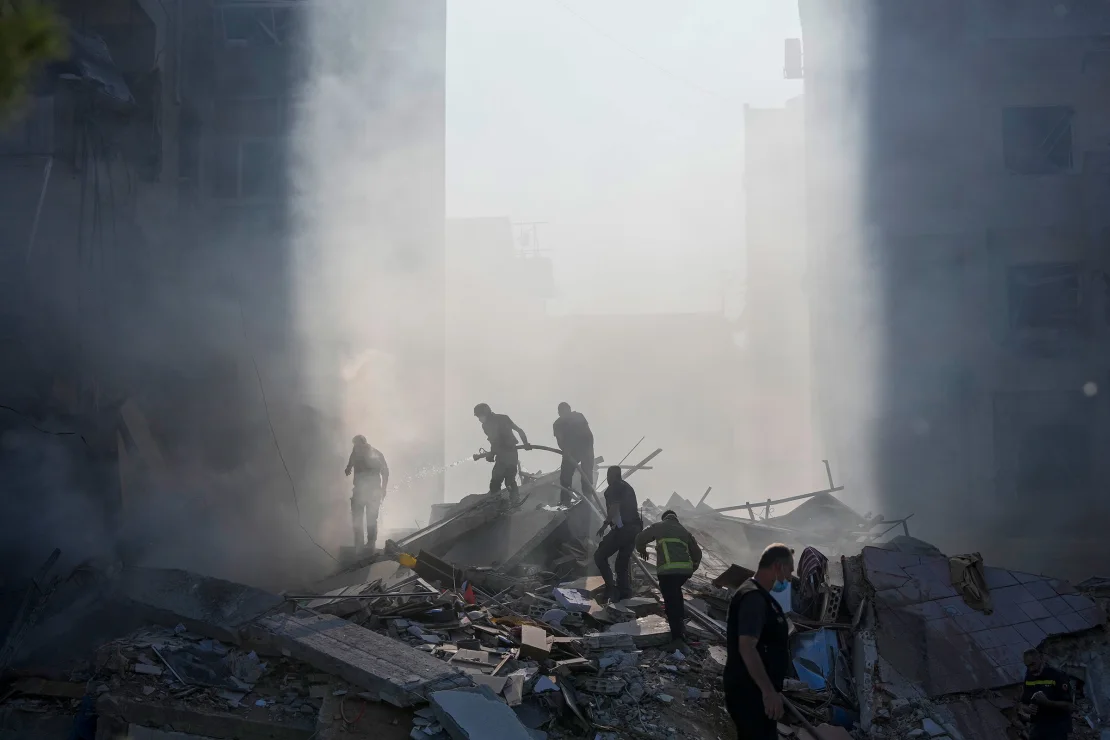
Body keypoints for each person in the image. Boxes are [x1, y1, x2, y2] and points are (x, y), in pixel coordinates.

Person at [724, 544, 795, 740]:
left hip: (755, 693)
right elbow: (747, 646)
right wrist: (768, 692)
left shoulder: (760, 596)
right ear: (778, 566)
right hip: (750, 693)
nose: (789, 578)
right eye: (789, 571)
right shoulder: (753, 597)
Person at [635, 509, 702, 648]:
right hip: (683, 573)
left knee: (671, 603)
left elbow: (640, 538)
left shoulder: (659, 526)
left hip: (667, 572)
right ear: (676, 518)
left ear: (664, 518)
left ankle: (677, 639)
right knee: (677, 598)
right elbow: (697, 554)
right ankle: (681, 631)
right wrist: (692, 568)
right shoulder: (685, 531)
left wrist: (641, 549)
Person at [594, 465, 642, 603]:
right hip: (635, 530)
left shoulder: (614, 487)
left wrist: (604, 525)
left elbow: (614, 507)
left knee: (599, 555)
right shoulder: (627, 487)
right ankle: (624, 594)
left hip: (623, 529)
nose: (607, 479)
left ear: (612, 476)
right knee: (621, 564)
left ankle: (610, 589)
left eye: (608, 476)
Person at [473, 403, 530, 504]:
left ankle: (510, 502)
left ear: (486, 413)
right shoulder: (487, 425)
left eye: (479, 416)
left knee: (504, 481)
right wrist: (492, 454)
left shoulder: (500, 419)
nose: (479, 419)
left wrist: (525, 443)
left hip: (509, 453)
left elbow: (517, 431)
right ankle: (503, 503)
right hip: (504, 455)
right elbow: (494, 441)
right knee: (502, 480)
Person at [344, 435, 389, 551]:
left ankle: (370, 544)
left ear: (364, 443)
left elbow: (385, 472)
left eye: (358, 445)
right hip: (359, 491)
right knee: (357, 518)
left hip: (373, 492)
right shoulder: (355, 453)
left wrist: (383, 489)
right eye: (355, 445)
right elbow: (349, 465)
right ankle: (358, 545)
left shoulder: (376, 454)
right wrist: (348, 469)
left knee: (371, 518)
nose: (356, 447)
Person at [1021, 648, 1074, 740]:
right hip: (1038, 729)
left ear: (1041, 658)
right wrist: (1028, 709)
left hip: (1057, 728)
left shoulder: (1057, 676)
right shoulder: (1029, 677)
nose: (1031, 669)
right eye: (1028, 666)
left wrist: (1048, 703)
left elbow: (1070, 706)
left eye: (1033, 664)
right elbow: (1023, 704)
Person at [552, 402, 595, 506]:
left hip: (585, 448)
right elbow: (559, 439)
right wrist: (565, 450)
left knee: (587, 473)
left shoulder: (578, 416)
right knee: (565, 476)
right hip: (570, 452)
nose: (565, 414)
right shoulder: (557, 424)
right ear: (559, 413)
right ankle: (565, 501)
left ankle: (588, 496)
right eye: (562, 412)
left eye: (566, 410)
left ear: (570, 409)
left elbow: (588, 434)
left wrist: (589, 449)